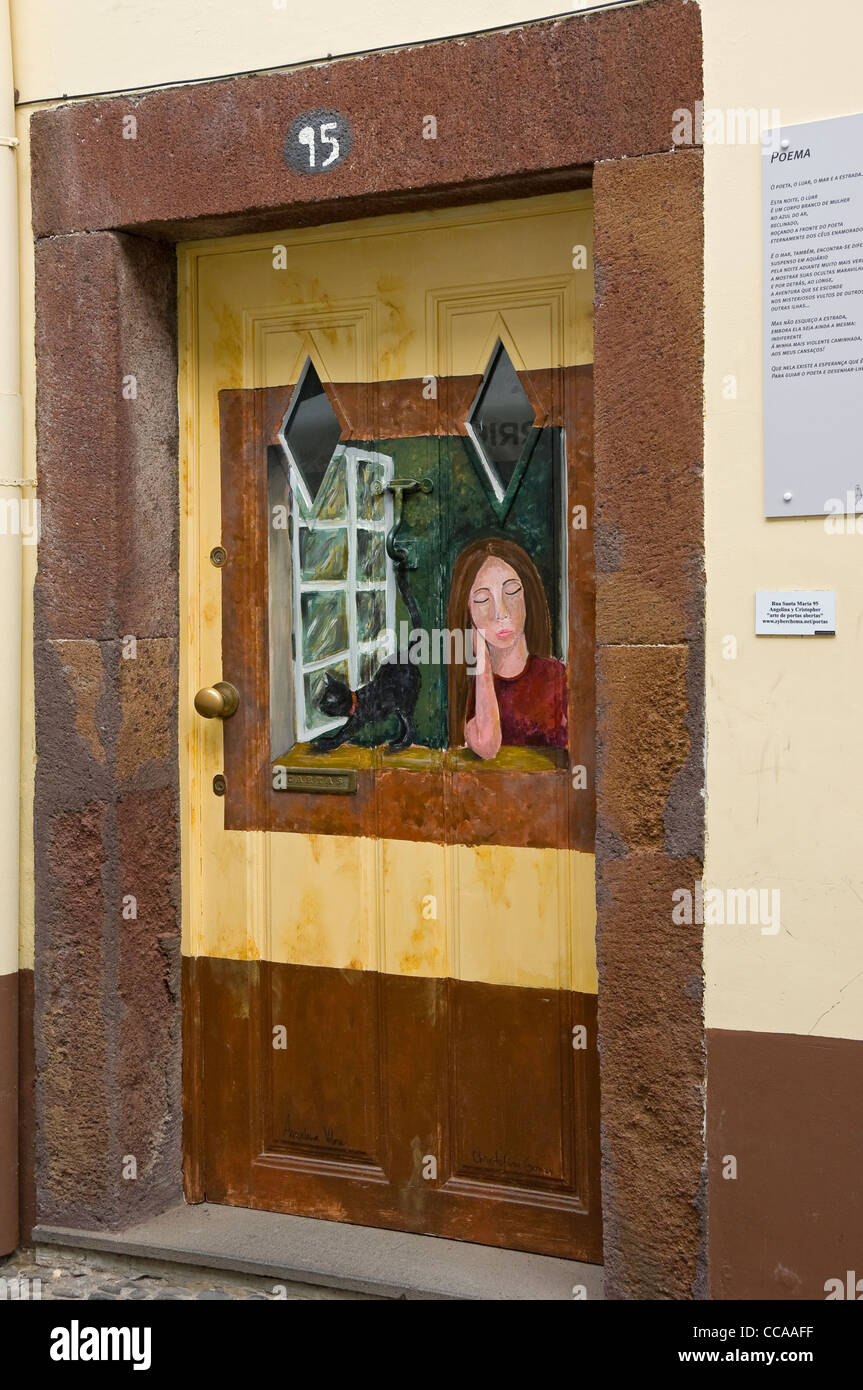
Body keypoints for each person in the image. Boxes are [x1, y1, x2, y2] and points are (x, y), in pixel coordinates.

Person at [446, 537, 567, 759]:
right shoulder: (470, 690)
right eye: (483, 599)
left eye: (511, 591)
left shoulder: (558, 678)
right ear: (467, 611)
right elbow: (486, 744)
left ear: (528, 596)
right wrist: (481, 661)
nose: (500, 612)